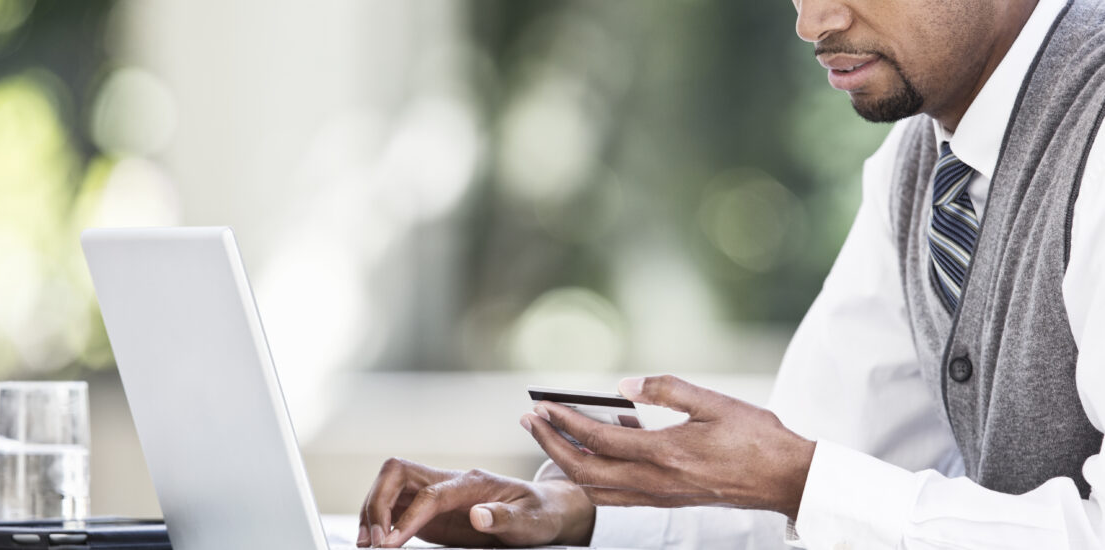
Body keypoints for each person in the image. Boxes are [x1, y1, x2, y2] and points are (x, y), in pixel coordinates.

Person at [358, 0, 1105, 547]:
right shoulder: (918, 169)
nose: (812, 23)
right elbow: (826, 466)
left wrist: (796, 478)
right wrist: (574, 514)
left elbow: (810, 481)